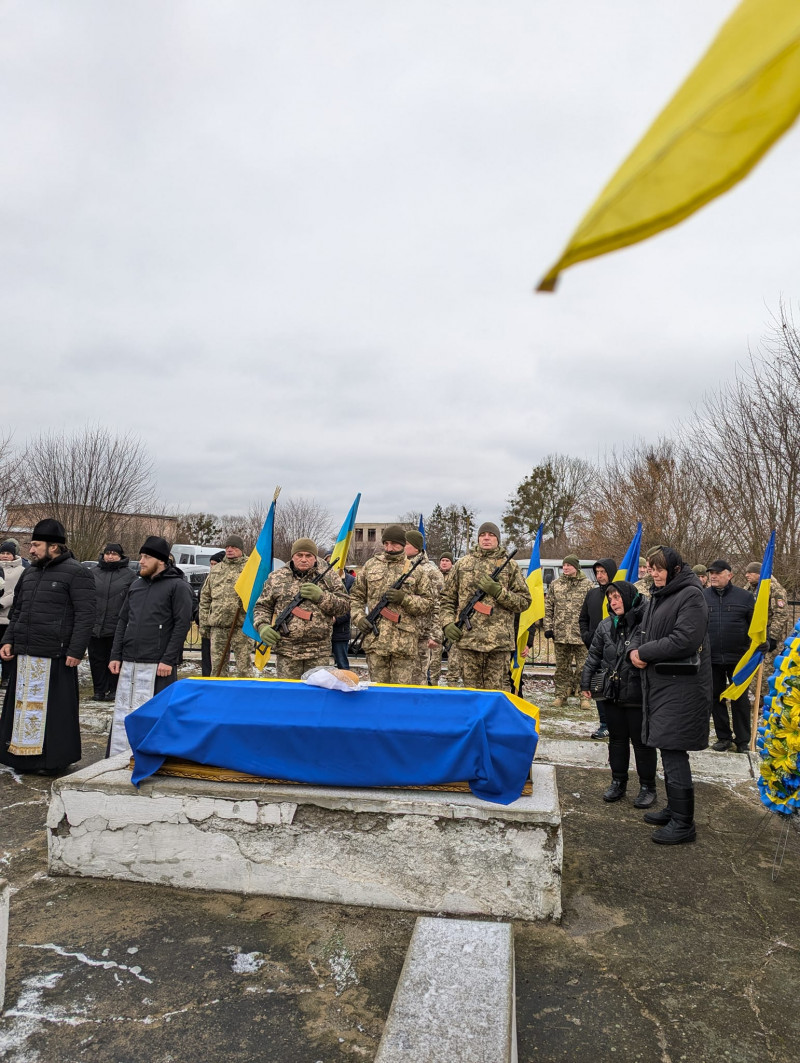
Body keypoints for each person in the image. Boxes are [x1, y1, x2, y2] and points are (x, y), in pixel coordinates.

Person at [0, 519, 96, 774]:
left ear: (54, 547)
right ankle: (22, 759)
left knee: (54, 714)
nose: (30, 550)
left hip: (56, 655)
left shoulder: (77, 573)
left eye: (35, 545)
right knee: (22, 709)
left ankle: (53, 761)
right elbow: (17, 611)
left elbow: (86, 615)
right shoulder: (30, 573)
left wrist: (76, 651)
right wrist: (8, 640)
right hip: (26, 654)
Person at [630, 547, 711, 845]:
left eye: (659, 568)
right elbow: (642, 631)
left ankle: (683, 823)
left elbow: (684, 640)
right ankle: (674, 808)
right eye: (651, 567)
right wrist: (633, 651)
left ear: (675, 569)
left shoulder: (691, 595)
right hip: (662, 683)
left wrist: (644, 653)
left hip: (683, 687)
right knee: (666, 745)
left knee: (674, 748)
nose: (653, 572)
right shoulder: (659, 595)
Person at [108, 536, 194, 756]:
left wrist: (168, 659)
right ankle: (119, 756)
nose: (141, 561)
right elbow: (123, 621)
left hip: (157, 664)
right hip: (129, 661)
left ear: (161, 560)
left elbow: (181, 624)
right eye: (141, 556)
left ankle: (152, 758)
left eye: (147, 557)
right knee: (124, 713)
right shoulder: (136, 585)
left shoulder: (178, 586)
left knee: (155, 715)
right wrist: (115, 654)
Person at [581, 581, 657, 807]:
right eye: (610, 599)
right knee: (617, 740)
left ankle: (647, 786)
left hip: (637, 693)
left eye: (617, 597)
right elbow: (594, 655)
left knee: (642, 743)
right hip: (611, 693)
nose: (614, 603)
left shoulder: (646, 622)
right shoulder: (605, 626)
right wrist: (585, 680)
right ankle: (618, 782)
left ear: (628, 596)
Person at [441, 522, 531, 691]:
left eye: (491, 535)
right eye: (483, 535)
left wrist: (498, 592)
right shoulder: (462, 564)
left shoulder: (510, 566)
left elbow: (524, 601)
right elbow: (446, 598)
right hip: (468, 640)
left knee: (495, 695)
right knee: (471, 694)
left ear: (497, 539)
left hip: (498, 643)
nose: (486, 538)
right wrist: (447, 623)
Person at [254, 538, 350, 679]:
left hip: (319, 651)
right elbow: (262, 607)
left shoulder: (329, 577)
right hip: (287, 652)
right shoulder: (276, 578)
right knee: (289, 696)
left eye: (308, 555)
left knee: (316, 696)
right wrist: (262, 626)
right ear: (292, 556)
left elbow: (345, 606)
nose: (304, 559)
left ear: (315, 557)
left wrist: (321, 597)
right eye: (299, 555)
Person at [350, 526, 434, 684]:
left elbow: (428, 603)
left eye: (395, 544)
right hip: (376, 642)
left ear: (403, 544)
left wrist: (405, 599)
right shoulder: (371, 566)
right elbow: (356, 597)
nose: (390, 548)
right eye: (386, 543)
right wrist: (359, 618)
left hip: (404, 644)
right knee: (378, 693)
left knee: (400, 695)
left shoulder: (415, 570)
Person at [704, 558, 754, 752]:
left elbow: (755, 625)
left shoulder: (745, 597)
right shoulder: (702, 596)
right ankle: (723, 737)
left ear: (729, 575)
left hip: (739, 658)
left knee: (740, 700)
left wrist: (761, 644)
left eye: (718, 573)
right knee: (716, 698)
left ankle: (742, 740)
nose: (713, 576)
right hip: (712, 657)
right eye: (711, 573)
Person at [88, 542, 137, 702]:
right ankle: (99, 690)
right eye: (108, 553)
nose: (110, 556)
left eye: (114, 554)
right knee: (96, 659)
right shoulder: (93, 572)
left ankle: (114, 689)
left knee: (114, 658)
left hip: (116, 624)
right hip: (95, 625)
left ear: (120, 556)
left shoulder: (129, 575)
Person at [199, 535, 253, 677]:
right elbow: (205, 598)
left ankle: (246, 696)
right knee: (217, 669)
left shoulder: (250, 568)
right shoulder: (216, 569)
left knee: (244, 669)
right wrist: (204, 623)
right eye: (227, 547)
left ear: (241, 549)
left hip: (241, 627)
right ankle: (218, 696)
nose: (230, 550)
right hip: (219, 626)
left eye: (234, 547)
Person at [578, 557, 618, 739]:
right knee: (598, 687)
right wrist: (587, 636)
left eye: (603, 572)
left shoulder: (619, 594)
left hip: (617, 652)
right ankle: (604, 724)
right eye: (597, 572)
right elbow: (583, 618)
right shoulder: (592, 594)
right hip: (596, 649)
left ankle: (617, 723)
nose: (600, 576)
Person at [544, 554, 589, 707]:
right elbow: (548, 606)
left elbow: (592, 608)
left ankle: (584, 696)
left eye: (569, 565)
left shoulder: (587, 585)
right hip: (561, 633)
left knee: (584, 667)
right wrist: (548, 627)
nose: (566, 567)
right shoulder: (555, 584)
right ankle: (560, 695)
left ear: (576, 567)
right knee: (562, 668)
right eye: (564, 565)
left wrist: (590, 630)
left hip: (580, 634)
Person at [743, 560, 790, 701]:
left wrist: (773, 637)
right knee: (753, 671)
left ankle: (767, 701)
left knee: (767, 672)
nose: (746, 575)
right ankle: (757, 699)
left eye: (750, 573)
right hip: (752, 637)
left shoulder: (775, 589)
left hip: (768, 637)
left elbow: (781, 614)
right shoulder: (749, 588)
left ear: (759, 574)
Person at [404, 529, 444, 685]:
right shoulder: (400, 566)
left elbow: (438, 604)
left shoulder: (432, 572)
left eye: (406, 544)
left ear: (416, 547)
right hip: (400, 632)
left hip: (421, 633)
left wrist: (435, 634)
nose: (403, 547)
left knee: (418, 677)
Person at [0, 541, 26, 690]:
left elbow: (18, 592)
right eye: (2, 553)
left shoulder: (20, 570)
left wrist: (2, 603)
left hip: (8, 616)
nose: (4, 556)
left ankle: (7, 678)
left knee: (7, 649)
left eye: (8, 553)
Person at [200, 550, 225, 676]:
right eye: (211, 564)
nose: (212, 567)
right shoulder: (208, 579)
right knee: (206, 658)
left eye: (215, 564)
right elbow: (202, 600)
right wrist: (199, 616)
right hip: (207, 624)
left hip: (219, 625)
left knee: (218, 662)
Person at [330, 563, 355, 670]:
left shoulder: (351, 581)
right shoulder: (324, 578)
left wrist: (336, 619)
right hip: (322, 632)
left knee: (342, 665)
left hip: (340, 631)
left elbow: (352, 606)